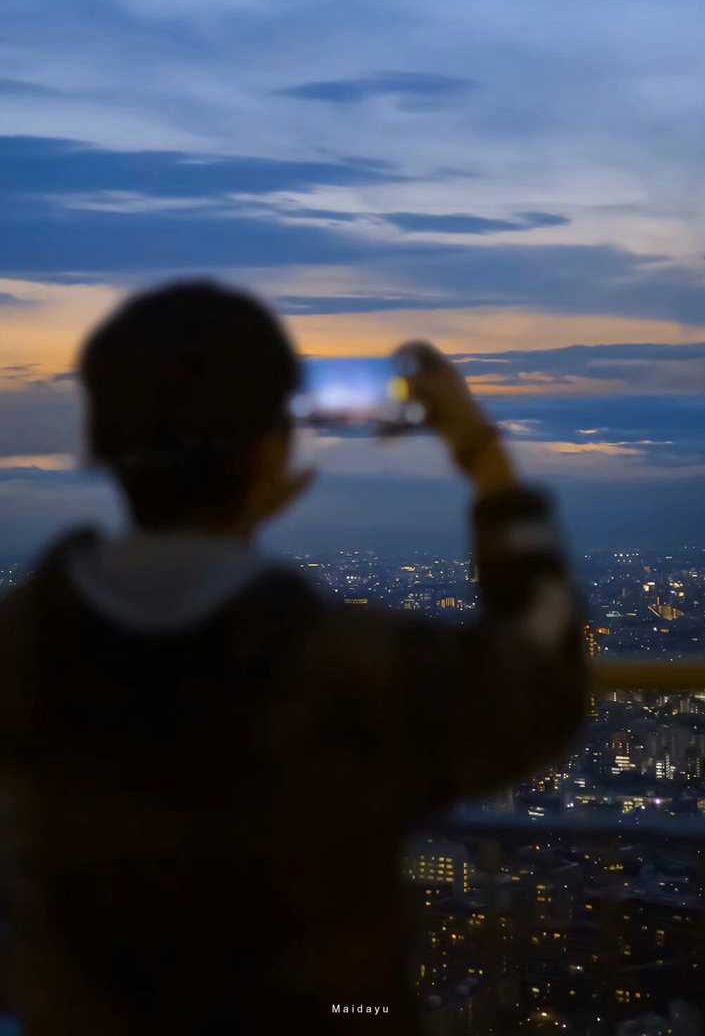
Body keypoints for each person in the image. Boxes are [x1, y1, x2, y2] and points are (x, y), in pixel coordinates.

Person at [0, 280, 588, 1036]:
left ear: (107, 443)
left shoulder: (23, 647)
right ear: (271, 447)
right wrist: (481, 452)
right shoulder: (344, 665)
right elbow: (542, 678)